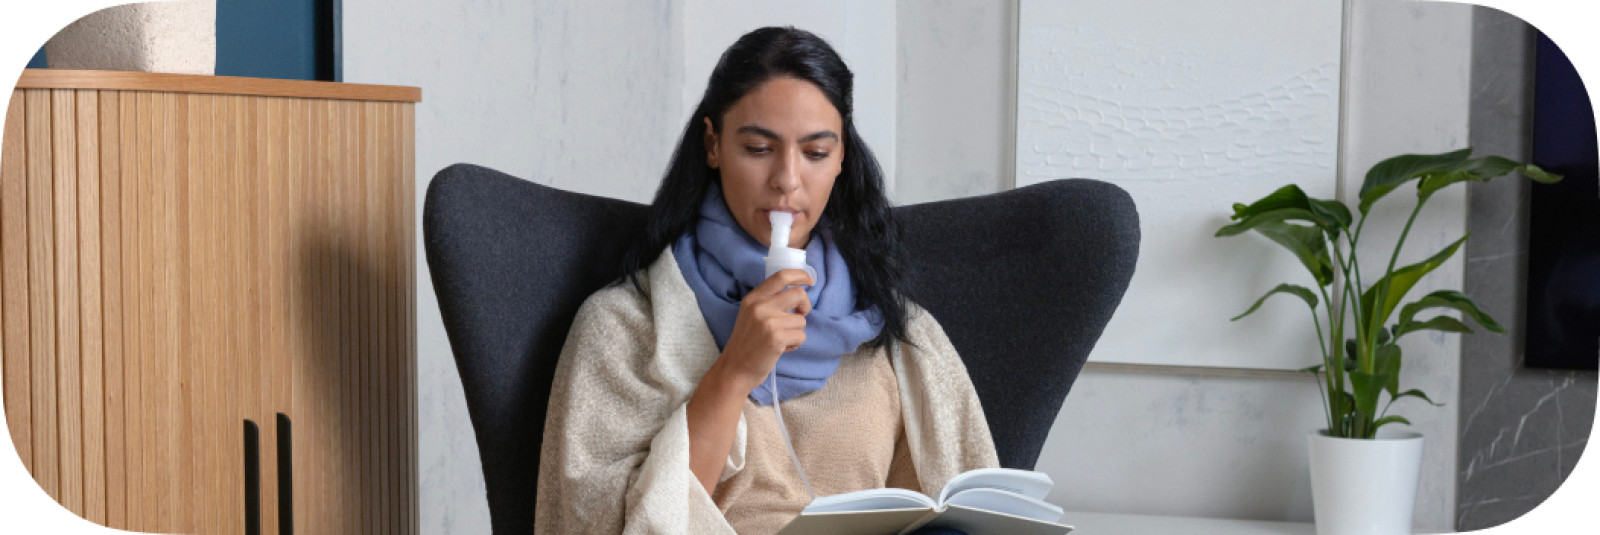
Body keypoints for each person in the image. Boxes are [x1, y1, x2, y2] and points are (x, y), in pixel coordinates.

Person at [534, 26, 996, 534]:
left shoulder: (895, 331)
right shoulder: (623, 327)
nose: (787, 180)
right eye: (758, 148)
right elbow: (608, 526)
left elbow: (964, 508)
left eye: (816, 153)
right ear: (713, 144)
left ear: (842, 156)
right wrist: (734, 372)